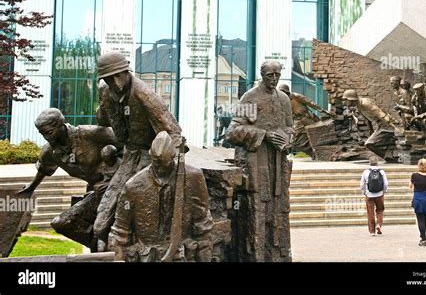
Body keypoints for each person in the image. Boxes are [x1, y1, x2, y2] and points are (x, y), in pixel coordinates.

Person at [93, 51, 184, 244]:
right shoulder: (106, 93)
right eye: (110, 79)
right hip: (130, 154)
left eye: (119, 76)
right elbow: (102, 119)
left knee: (140, 203)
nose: (116, 83)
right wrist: (103, 104)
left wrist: (171, 164)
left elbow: (173, 132)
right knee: (101, 220)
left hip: (151, 156)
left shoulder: (144, 93)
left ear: (127, 72)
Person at [17, 108, 122, 250]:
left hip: (120, 185)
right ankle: (104, 247)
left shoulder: (90, 133)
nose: (47, 138)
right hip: (97, 192)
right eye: (42, 134)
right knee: (62, 223)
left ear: (61, 125)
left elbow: (129, 144)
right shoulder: (50, 151)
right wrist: (31, 186)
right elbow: (44, 169)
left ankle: (107, 244)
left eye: (49, 132)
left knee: (103, 225)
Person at [108, 131, 213, 262]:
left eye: (164, 164)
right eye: (156, 164)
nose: (160, 169)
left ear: (173, 157)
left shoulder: (194, 177)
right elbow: (120, 233)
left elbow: (203, 227)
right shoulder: (133, 186)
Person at [226, 61, 294, 262]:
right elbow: (233, 132)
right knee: (258, 209)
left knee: (280, 209)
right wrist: (263, 135)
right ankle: (256, 256)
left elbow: (291, 128)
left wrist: (287, 138)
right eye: (269, 75)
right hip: (257, 164)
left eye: (277, 75)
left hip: (278, 166)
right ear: (262, 75)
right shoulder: (251, 98)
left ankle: (279, 256)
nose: (274, 79)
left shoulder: (283, 99)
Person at [342, 89, 399, 161]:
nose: (344, 102)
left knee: (369, 144)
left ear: (351, 99)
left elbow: (380, 114)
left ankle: (389, 157)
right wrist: (371, 131)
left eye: (346, 100)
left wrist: (394, 126)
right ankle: (389, 156)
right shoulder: (359, 106)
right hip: (380, 125)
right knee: (370, 143)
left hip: (385, 124)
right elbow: (367, 120)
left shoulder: (365, 103)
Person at [279, 83, 332, 160]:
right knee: (297, 141)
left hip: (307, 119)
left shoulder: (296, 96)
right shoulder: (281, 101)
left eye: (283, 92)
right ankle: (313, 153)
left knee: (316, 136)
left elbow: (310, 102)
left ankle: (319, 153)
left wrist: (321, 110)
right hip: (297, 122)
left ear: (287, 92)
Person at [359, 156, 389, 236]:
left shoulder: (366, 172)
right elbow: (385, 183)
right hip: (379, 194)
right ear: (377, 162)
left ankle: (372, 231)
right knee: (380, 210)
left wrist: (364, 192)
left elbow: (362, 184)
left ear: (369, 162)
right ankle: (379, 225)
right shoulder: (381, 171)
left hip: (369, 195)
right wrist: (384, 191)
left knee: (370, 213)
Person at [409, 158, 426, 246]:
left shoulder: (414, 175)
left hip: (419, 198)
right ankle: (422, 236)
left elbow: (410, 186)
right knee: (424, 219)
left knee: (420, 219)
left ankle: (423, 239)